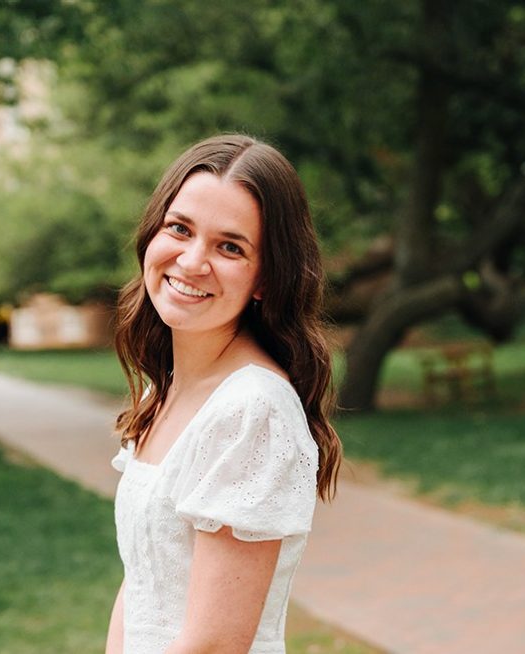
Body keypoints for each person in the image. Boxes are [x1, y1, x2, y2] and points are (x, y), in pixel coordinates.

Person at [106, 134, 342, 654]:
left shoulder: (252, 411)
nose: (191, 262)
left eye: (230, 247)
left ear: (265, 278)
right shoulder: (162, 390)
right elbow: (144, 580)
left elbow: (214, 644)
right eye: (179, 228)